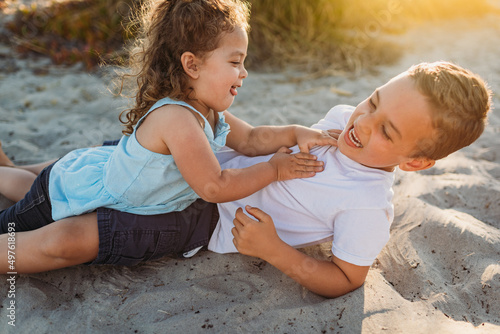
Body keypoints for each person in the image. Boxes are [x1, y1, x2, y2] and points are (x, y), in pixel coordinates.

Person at [0, 61, 491, 298]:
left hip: (202, 217)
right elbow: (259, 141)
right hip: (199, 165)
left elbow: (345, 278)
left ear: (415, 162)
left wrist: (274, 250)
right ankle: (9, 175)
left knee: (74, 237)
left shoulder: (367, 207)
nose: (362, 123)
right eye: (374, 100)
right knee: (74, 176)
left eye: (386, 129)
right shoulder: (344, 119)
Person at [0, 0, 337, 234]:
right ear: (192, 65)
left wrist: (295, 132)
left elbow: (251, 140)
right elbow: (213, 186)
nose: (244, 72)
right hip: (77, 191)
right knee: (30, 196)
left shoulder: (209, 112)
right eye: (235, 62)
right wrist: (274, 170)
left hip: (103, 170)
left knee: (33, 179)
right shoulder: (178, 119)